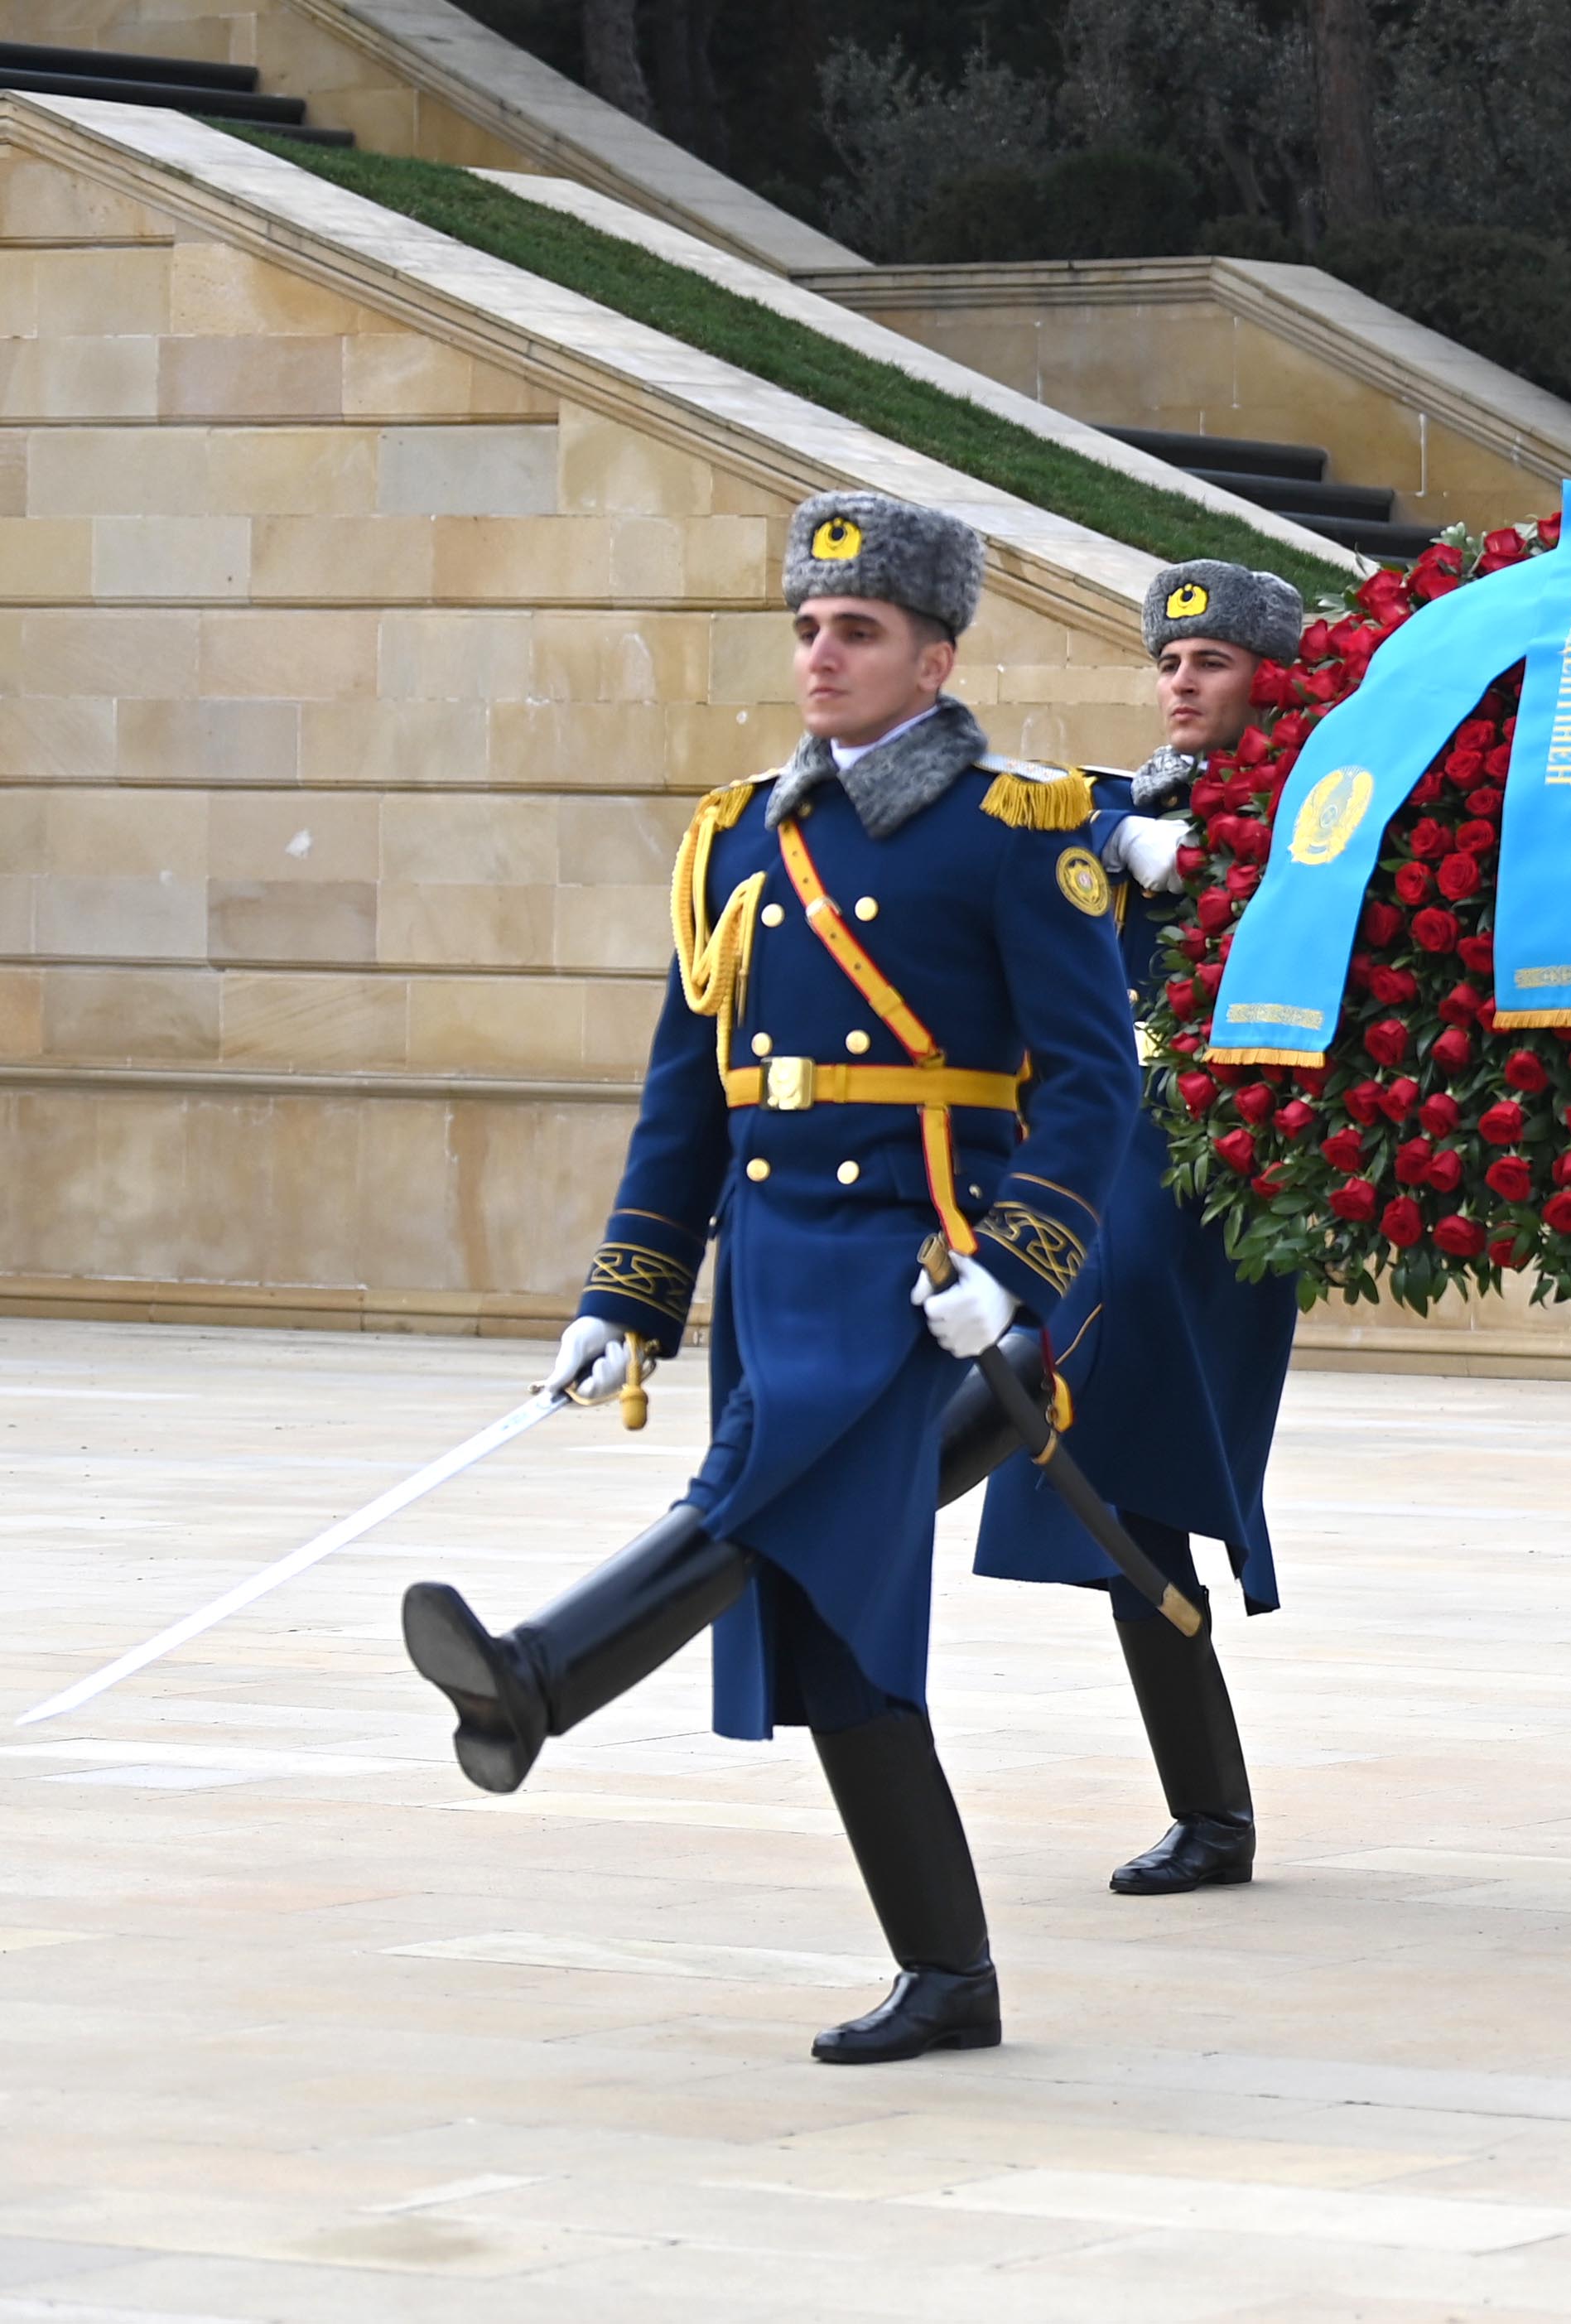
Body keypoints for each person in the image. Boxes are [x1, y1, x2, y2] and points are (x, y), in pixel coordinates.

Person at [398, 491, 1138, 2063]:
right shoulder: (739, 833)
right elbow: (692, 1084)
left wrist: (1017, 1271)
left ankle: (537, 1678)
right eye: (807, 627)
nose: (821, 653)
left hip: (918, 1277)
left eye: (858, 630)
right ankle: (952, 1975)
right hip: (775, 1258)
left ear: (935, 656)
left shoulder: (1021, 828)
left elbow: (1089, 1086)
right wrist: (629, 1294)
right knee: (833, 1628)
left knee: (758, 1483)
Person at [939, 557, 1307, 1898]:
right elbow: (974, 822)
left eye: (1211, 663)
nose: (1183, 683)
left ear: (1270, 678)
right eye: (1169, 662)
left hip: (1214, 1185)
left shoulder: (1306, 817)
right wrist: (1106, 840)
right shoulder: (1111, 806)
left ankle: (850, 1497)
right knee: (1128, 1506)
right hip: (1104, 1166)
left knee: (1078, 1403)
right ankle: (1213, 1813)